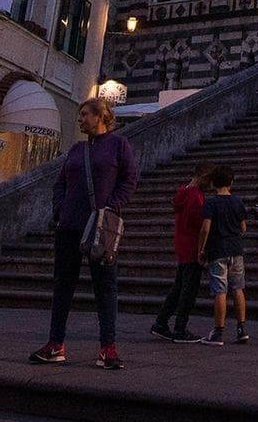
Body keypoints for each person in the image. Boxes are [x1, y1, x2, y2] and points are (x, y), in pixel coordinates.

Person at [31, 97, 140, 369]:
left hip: (100, 227)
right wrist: (60, 209)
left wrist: (110, 207)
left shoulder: (118, 145)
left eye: (84, 114)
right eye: (80, 114)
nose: (80, 119)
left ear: (100, 116)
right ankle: (56, 344)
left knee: (105, 287)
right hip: (69, 226)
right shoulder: (77, 149)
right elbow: (60, 183)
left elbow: (129, 179)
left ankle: (108, 347)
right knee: (62, 286)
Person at [149, 161, 212, 343]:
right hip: (192, 245)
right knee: (188, 290)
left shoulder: (183, 192)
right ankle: (180, 327)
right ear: (202, 177)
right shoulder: (196, 196)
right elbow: (200, 224)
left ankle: (161, 322)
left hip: (182, 243)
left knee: (178, 288)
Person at [197, 165, 250, 345]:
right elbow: (243, 227)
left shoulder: (211, 202)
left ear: (213, 182)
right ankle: (241, 328)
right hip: (236, 249)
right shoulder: (237, 201)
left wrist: (201, 249)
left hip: (217, 249)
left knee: (220, 290)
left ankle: (218, 331)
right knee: (238, 288)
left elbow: (205, 228)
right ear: (231, 182)